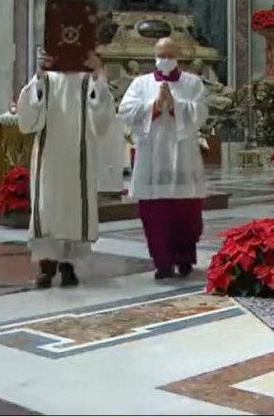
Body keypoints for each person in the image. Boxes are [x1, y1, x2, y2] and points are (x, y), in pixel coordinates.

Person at [16, 50, 115, 288]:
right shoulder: (47, 78)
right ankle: (46, 265)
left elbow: (102, 117)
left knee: (74, 205)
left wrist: (98, 75)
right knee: (48, 206)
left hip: (79, 154)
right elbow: (28, 117)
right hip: (50, 156)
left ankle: (69, 265)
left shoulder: (86, 78)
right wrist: (39, 75)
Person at [118, 38, 208, 279]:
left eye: (169, 54)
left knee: (186, 211)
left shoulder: (193, 83)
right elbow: (125, 110)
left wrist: (176, 104)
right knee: (155, 212)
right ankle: (162, 262)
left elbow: (201, 113)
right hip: (152, 154)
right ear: (154, 56)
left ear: (178, 56)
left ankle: (185, 257)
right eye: (161, 55)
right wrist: (155, 106)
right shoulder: (141, 84)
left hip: (183, 156)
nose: (165, 59)